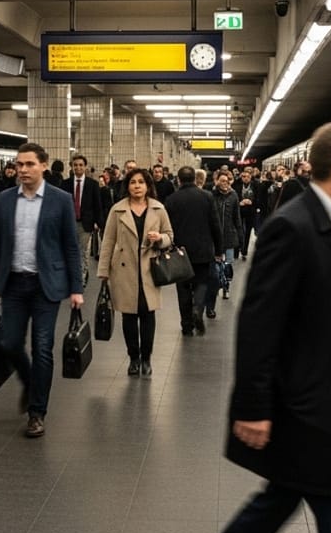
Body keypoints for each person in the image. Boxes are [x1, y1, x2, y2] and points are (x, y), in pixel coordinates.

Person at [207, 122, 331, 533]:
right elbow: (259, 323)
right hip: (308, 404)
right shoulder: (292, 227)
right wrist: (253, 407)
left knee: (276, 503)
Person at [0, 142, 84, 439]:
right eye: (19, 164)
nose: (22, 170)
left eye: (29, 164)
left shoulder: (60, 200)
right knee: (9, 342)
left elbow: (71, 245)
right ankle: (30, 381)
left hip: (46, 285)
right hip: (14, 283)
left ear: (43, 165)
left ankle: (37, 412)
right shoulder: (5, 199)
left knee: (42, 348)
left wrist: (76, 288)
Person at [98, 167, 173, 377]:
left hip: (150, 270)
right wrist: (103, 271)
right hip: (124, 270)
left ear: (148, 186)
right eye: (133, 182)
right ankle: (133, 358)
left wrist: (160, 239)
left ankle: (147, 358)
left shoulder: (159, 209)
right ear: (127, 186)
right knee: (129, 316)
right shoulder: (117, 210)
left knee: (148, 315)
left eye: (141, 182)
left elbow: (170, 235)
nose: (137, 186)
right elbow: (108, 241)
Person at [165, 166, 224, 336]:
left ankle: (186, 325)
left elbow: (167, 226)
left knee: (183, 288)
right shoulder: (207, 197)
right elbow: (215, 225)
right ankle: (198, 309)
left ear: (179, 180)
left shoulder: (171, 200)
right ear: (195, 179)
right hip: (203, 251)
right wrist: (218, 249)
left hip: (180, 252)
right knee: (201, 283)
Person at [209, 169, 243, 316]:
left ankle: (226, 287)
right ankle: (217, 286)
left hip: (229, 236)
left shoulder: (233, 196)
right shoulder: (211, 196)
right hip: (214, 237)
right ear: (217, 181)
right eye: (222, 181)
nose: (225, 183)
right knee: (216, 265)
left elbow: (237, 217)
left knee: (228, 264)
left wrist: (240, 235)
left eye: (227, 181)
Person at [65, 154, 104, 284]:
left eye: (81, 165)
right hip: (69, 224)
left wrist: (99, 223)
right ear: (71, 166)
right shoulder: (65, 184)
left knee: (83, 252)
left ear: (85, 167)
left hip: (85, 224)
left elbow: (98, 205)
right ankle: (72, 275)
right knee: (70, 250)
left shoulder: (92, 185)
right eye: (75, 165)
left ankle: (80, 279)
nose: (78, 167)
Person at [232, 168, 261, 260]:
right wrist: (239, 202)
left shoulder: (256, 185)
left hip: (250, 211)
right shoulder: (236, 184)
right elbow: (232, 197)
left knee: (248, 231)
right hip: (239, 211)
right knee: (238, 230)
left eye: (248, 176)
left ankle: (244, 251)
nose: (245, 178)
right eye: (243, 176)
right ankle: (236, 251)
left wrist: (252, 202)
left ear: (251, 177)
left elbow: (259, 198)